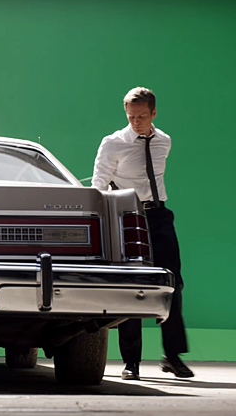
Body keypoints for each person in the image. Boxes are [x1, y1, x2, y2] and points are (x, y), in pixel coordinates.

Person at [91, 87, 193, 380]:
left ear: (154, 113)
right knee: (132, 284)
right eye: (131, 117)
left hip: (159, 215)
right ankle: (131, 362)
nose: (136, 122)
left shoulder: (164, 141)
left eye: (142, 116)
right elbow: (99, 184)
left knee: (173, 283)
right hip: (128, 216)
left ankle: (172, 356)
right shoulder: (113, 143)